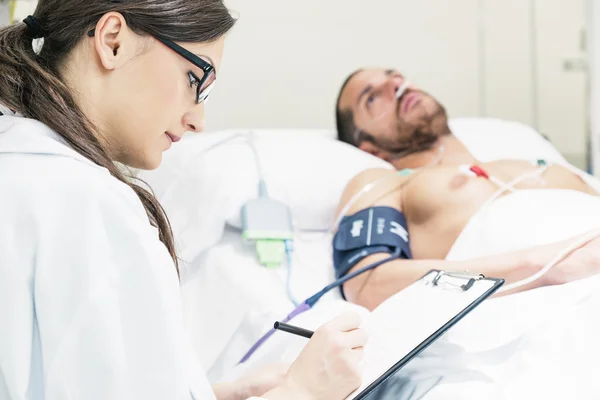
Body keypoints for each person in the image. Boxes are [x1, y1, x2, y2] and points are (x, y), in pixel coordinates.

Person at [0, 2, 367, 400]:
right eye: (197, 79)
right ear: (113, 41)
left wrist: (213, 393)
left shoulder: (24, 168)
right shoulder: (92, 208)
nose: (199, 120)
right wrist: (305, 391)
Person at [333, 68, 600, 310]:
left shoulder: (540, 164)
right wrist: (548, 266)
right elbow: (369, 285)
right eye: (372, 97)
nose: (395, 85)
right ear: (368, 147)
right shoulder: (387, 183)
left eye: (395, 76)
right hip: (550, 312)